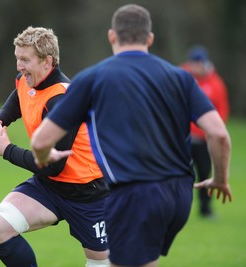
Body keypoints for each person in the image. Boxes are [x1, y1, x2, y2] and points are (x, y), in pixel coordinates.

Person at [30, 4, 232, 267]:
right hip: (180, 194)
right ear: (149, 38)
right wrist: (220, 178)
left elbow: (41, 141)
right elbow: (219, 134)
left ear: (112, 36)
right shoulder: (181, 78)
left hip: (136, 194)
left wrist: (46, 155)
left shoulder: (93, 78)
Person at [0, 26, 110, 267]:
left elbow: (53, 165)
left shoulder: (64, 100)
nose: (18, 66)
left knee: (101, 263)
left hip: (89, 194)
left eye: (25, 60)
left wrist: (5, 149)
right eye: (17, 58)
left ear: (47, 62)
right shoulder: (26, 81)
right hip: (49, 188)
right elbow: (19, 97)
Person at [181, 45, 230, 217]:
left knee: (204, 172)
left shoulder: (215, 83)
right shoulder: (182, 78)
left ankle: (205, 209)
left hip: (203, 139)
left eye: (199, 63)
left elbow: (222, 110)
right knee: (181, 174)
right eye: (193, 63)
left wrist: (210, 130)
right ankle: (180, 209)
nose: (196, 67)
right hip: (184, 138)